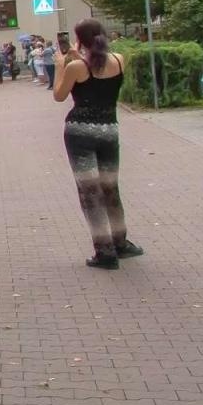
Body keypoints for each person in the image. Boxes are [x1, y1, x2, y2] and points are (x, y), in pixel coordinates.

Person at [53, 19, 139, 269]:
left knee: (90, 192)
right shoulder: (120, 60)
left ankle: (104, 251)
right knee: (111, 188)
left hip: (79, 133)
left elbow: (59, 96)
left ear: (79, 41)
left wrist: (61, 66)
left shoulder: (77, 67)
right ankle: (121, 242)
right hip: (109, 131)